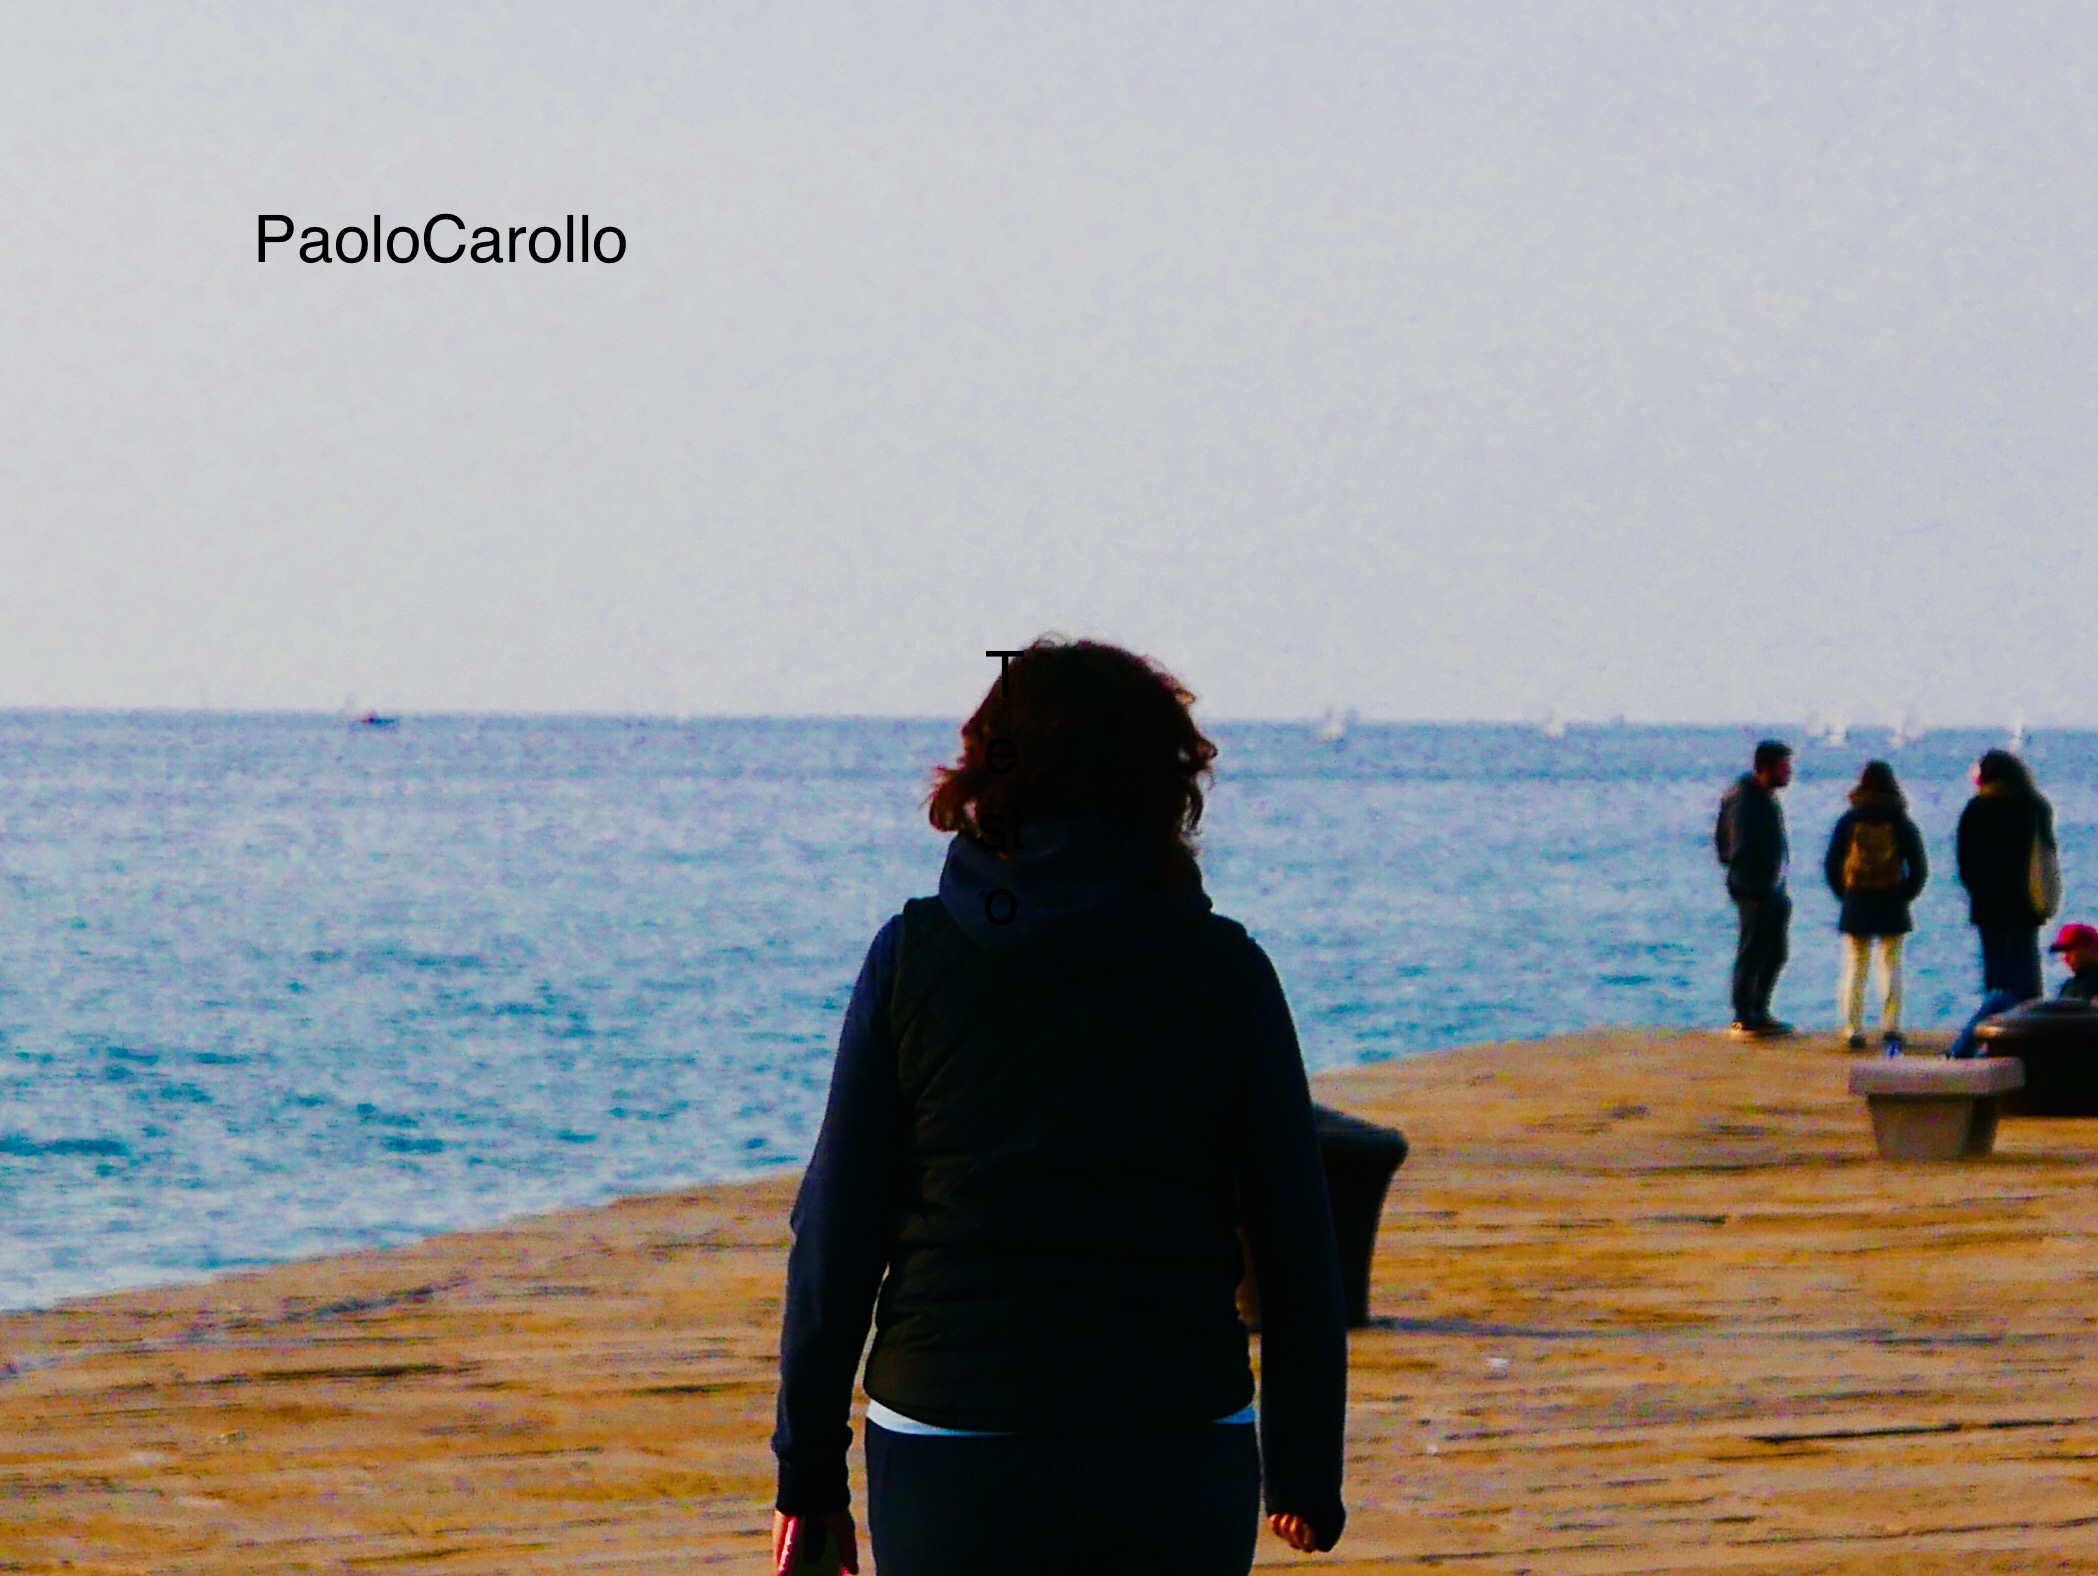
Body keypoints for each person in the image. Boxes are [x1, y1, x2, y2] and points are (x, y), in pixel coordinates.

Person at [770, 639, 1348, 1576]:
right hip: (1172, 1435)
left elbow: (836, 1233)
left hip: (953, 1437)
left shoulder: (913, 957)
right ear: (1163, 784)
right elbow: (1296, 1245)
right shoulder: (1226, 971)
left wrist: (807, 1476)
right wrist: (1304, 1472)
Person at [1821, 760, 1928, 1051]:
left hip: (1857, 900)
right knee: (1891, 964)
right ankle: (1891, 1027)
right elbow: (1919, 869)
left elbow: (1831, 864)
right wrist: (1904, 895)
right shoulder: (1901, 821)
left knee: (1856, 965)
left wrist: (1846, 895)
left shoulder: (1849, 820)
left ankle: (1853, 1028)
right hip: (1892, 900)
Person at [1955, 750, 2058, 1002]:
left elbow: (1965, 859)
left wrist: (1976, 889)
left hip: (1988, 901)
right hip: (2027, 898)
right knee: (2026, 964)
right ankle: (2031, 1016)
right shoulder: (2034, 805)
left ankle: (1998, 1018)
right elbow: (2047, 852)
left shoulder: (1976, 808)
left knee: (1996, 969)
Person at [1716, 740, 1795, 1040]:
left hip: (1772, 887)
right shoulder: (1745, 800)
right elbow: (1737, 846)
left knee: (1775, 952)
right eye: (1784, 767)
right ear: (1766, 768)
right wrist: (1752, 887)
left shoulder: (1764, 797)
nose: (1789, 773)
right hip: (1753, 889)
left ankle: (1760, 1010)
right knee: (1752, 951)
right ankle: (1743, 1015)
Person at [1950, 921, 2098, 1057]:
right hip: (2052, 1030)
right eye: (2063, 952)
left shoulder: (2091, 981)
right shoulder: (2072, 983)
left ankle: (1959, 1054)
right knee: (1999, 1003)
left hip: (2059, 1039)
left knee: (1998, 1000)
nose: (2066, 958)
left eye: (2070, 950)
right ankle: (1964, 1054)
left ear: (2091, 949)